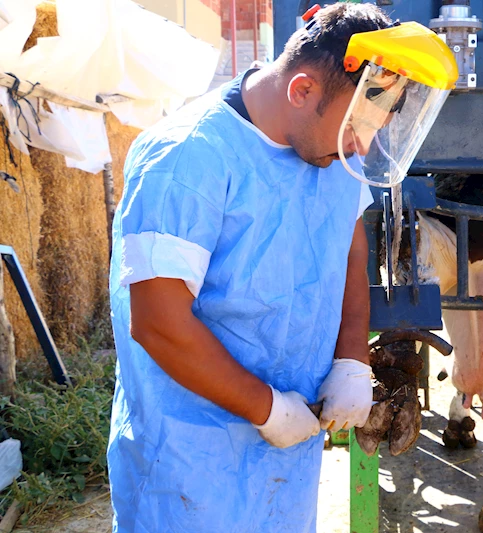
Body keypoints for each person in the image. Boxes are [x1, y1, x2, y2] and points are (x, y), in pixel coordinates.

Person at [106, 2, 457, 532]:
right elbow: (158, 322)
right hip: (190, 464)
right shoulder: (185, 159)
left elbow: (349, 244)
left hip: (287, 457)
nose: (363, 144)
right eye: (359, 125)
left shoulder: (336, 151)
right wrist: (264, 407)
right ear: (302, 91)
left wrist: (352, 358)